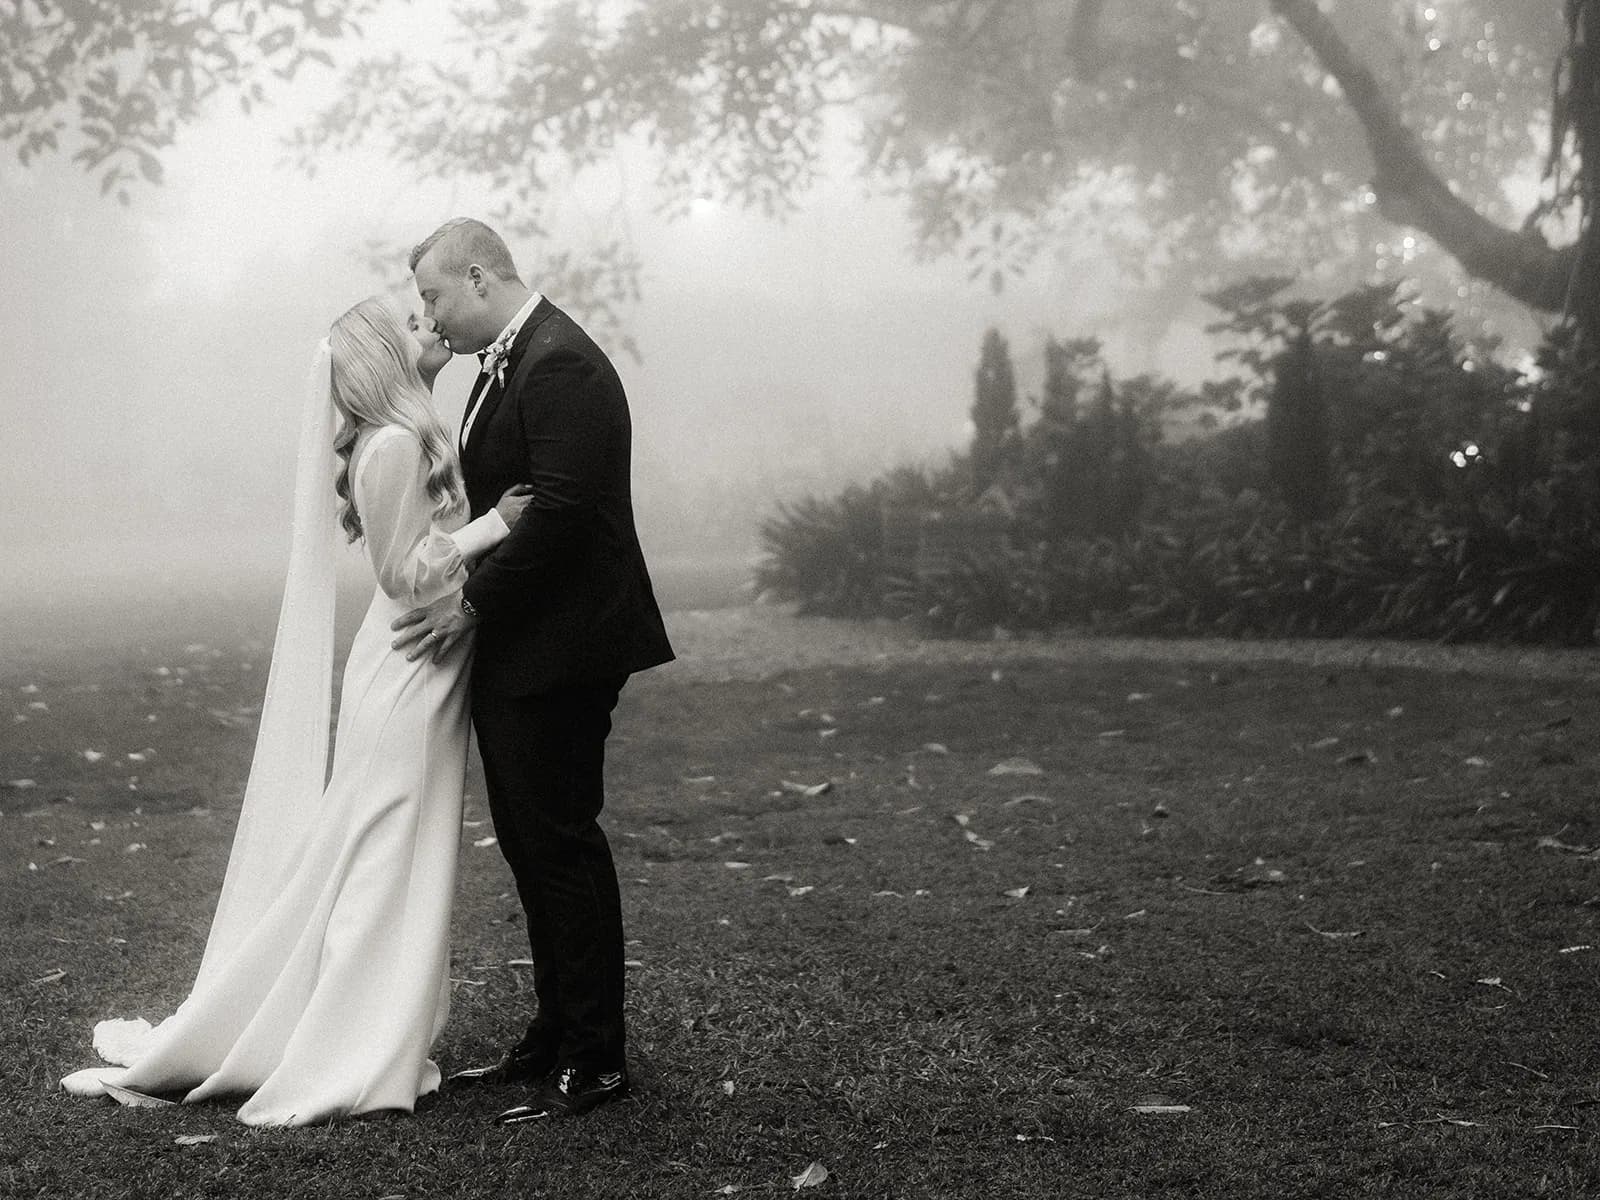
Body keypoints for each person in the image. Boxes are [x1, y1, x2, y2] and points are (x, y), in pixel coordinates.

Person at [60, 296, 533, 1126]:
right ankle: (346, 1045)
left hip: (427, 668)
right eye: (407, 321)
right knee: (382, 855)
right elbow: (405, 576)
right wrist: (496, 524)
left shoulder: (409, 433)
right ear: (380, 356)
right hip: (407, 674)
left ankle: (374, 1024)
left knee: (396, 853)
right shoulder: (387, 446)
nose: (424, 321)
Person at [393, 218, 674, 1124]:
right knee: (530, 843)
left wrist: (470, 604)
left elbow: (560, 509)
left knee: (559, 843)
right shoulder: (501, 364)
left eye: (433, 296)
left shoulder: (561, 363)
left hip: (566, 646)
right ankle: (556, 1032)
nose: (426, 315)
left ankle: (595, 1057)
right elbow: (495, 497)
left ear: (478, 277)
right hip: (526, 645)